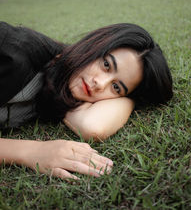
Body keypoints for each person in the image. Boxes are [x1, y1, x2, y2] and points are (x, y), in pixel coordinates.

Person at [0, 21, 173, 180]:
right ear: (96, 45)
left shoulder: (64, 84)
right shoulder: (14, 55)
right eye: (106, 65)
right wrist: (32, 151)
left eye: (116, 87)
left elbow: (93, 126)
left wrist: (132, 98)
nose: (100, 84)